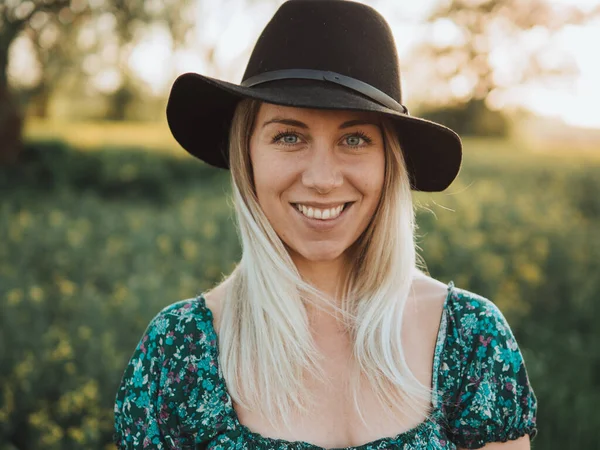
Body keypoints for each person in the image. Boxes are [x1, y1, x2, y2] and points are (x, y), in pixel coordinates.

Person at [113, 1, 538, 449]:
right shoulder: (176, 349)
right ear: (247, 154)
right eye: (289, 137)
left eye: (354, 139)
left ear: (389, 164)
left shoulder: (473, 339)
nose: (321, 179)